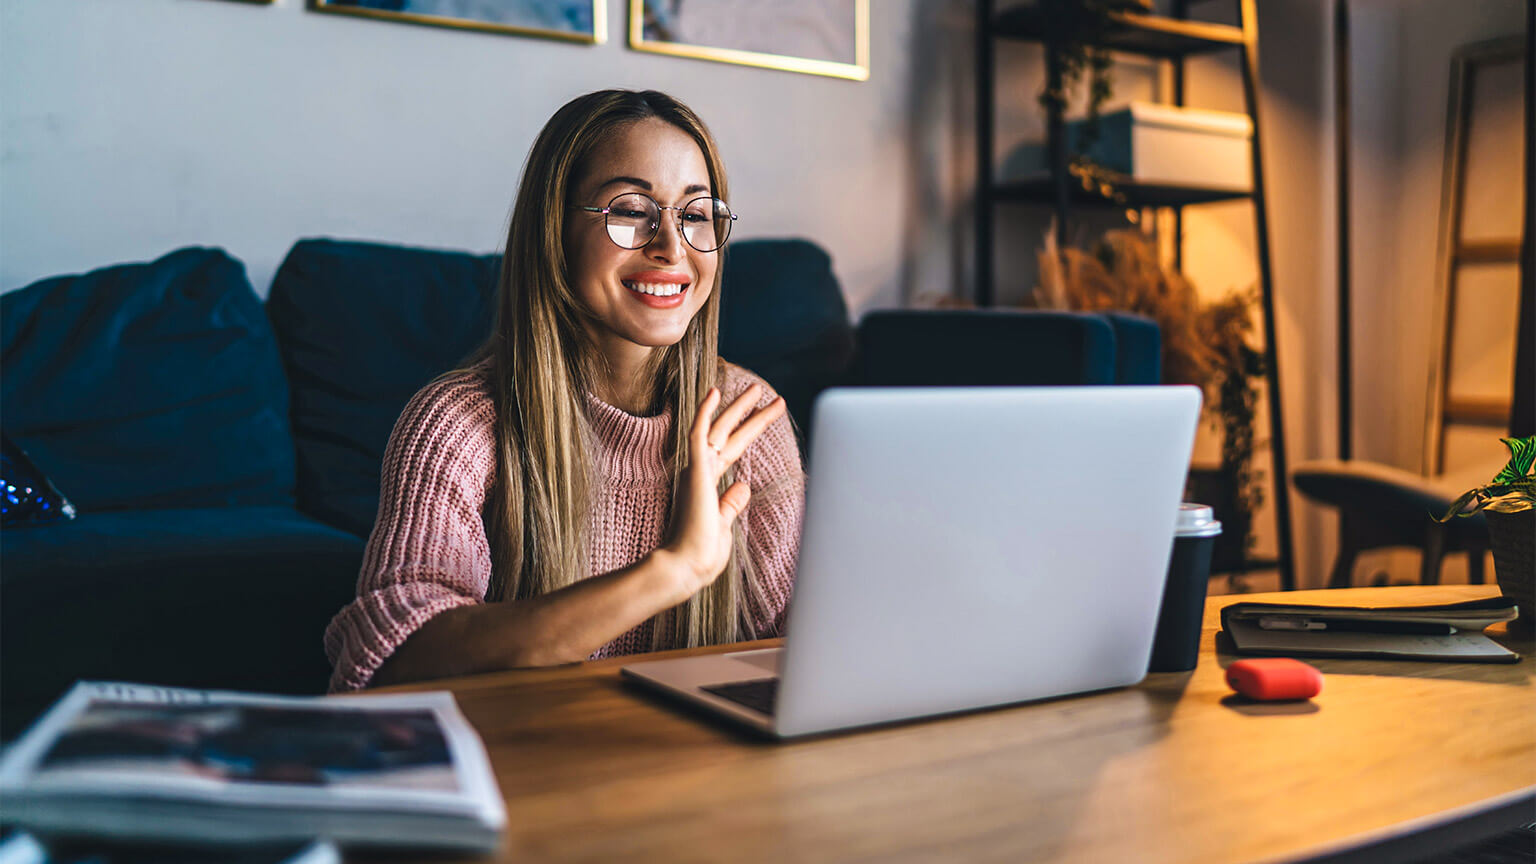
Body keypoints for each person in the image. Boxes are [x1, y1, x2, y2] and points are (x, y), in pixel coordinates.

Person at [323, 90, 805, 691]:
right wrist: (672, 573)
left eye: (696, 213)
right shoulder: (457, 424)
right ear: (556, 229)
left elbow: (805, 648)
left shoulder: (748, 417)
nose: (672, 247)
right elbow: (392, 656)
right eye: (631, 210)